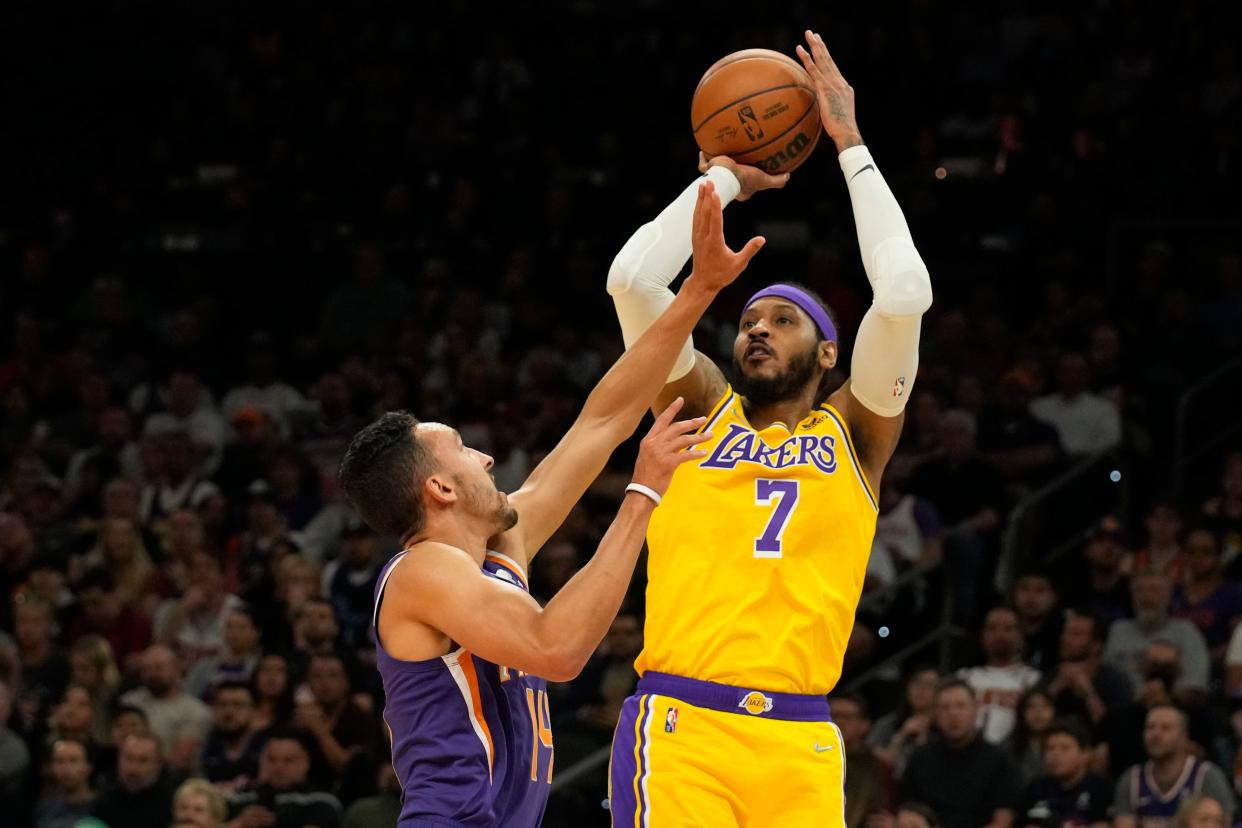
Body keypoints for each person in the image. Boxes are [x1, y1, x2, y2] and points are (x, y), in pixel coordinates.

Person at [342, 174, 762, 827]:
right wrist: (643, 492)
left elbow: (605, 418)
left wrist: (700, 290)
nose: (485, 457)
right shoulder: (423, 573)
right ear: (440, 488)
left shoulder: (498, 547)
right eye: (463, 449)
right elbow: (556, 650)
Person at [604, 30, 934, 825]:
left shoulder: (855, 435)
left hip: (801, 740)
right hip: (683, 725)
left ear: (829, 351)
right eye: (749, 317)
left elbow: (905, 290)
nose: (755, 328)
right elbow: (633, 279)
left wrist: (849, 142)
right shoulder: (697, 409)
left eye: (781, 320)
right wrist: (722, 177)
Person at [900, 680, 1022, 828]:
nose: (953, 714)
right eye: (945, 708)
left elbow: (1002, 822)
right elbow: (907, 812)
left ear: (975, 711)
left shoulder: (1000, 760)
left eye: (961, 706)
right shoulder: (919, 759)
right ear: (935, 715)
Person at [1112, 705, 1235, 828]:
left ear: (1184, 736)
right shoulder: (1132, 779)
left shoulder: (1207, 776)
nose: (1156, 734)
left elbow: (1224, 823)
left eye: (1166, 728)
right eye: (1150, 727)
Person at [1104, 572, 1210, 695]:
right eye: (1139, 590)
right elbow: (1106, 678)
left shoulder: (1186, 632)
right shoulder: (1118, 630)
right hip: (1123, 706)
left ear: (1168, 597)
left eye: (1154, 589)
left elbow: (1194, 687)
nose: (1146, 596)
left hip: (1171, 706)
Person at [959, 607, 1042, 744]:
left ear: (1021, 636)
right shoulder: (964, 678)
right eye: (992, 628)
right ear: (982, 636)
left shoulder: (1034, 679)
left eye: (1008, 628)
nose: (1000, 634)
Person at [225, 730, 341, 828]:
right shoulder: (239, 799)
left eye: (288, 760)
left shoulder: (321, 801)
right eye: (272, 759)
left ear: (305, 763)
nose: (279, 767)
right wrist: (240, 823)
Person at [1045, 608, 1133, 728]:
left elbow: (1115, 730)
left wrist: (1088, 693)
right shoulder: (1051, 676)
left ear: (1096, 646)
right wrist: (1055, 689)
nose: (1065, 639)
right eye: (1065, 632)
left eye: (1075, 634)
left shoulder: (1116, 681)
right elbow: (1031, 721)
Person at [1018, 719, 1110, 828]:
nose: (1055, 754)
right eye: (1050, 748)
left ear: (1085, 754)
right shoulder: (1036, 788)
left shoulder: (1101, 788)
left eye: (1065, 748)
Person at [827, 691, 893, 828]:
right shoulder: (811, 763)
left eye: (847, 717)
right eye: (834, 716)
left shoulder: (879, 768)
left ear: (865, 725)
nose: (839, 722)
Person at [91, 732, 175, 828]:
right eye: (129, 758)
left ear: (159, 764)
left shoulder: (171, 805)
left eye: (143, 760)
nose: (133, 768)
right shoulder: (104, 802)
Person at [33, 737, 96, 828]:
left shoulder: (103, 807)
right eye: (60, 761)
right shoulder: (43, 808)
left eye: (73, 761)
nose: (66, 768)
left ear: (88, 767)